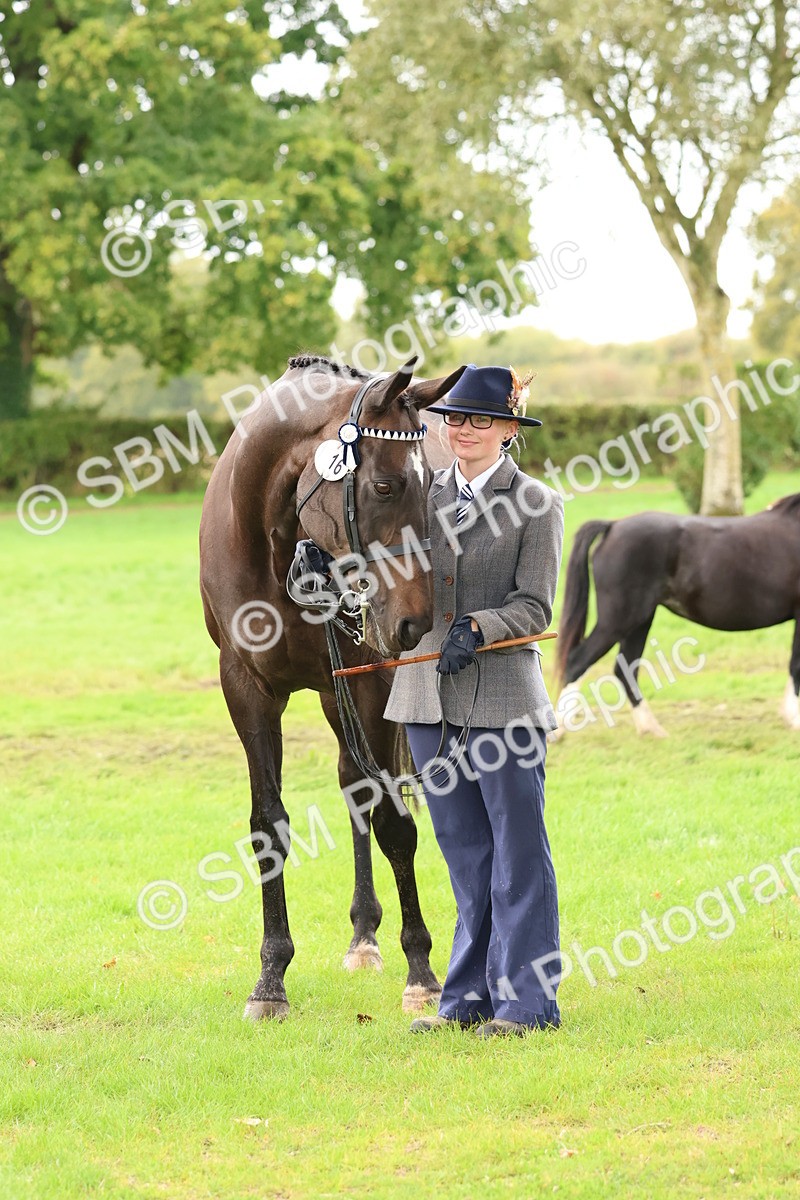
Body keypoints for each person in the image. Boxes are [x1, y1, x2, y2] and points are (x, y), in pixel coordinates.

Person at [383, 364, 565, 1037]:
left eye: (479, 419)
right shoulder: (414, 498)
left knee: (518, 855)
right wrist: (326, 568)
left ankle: (529, 1005)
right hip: (427, 699)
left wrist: (480, 627)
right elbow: (383, 575)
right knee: (463, 853)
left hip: (505, 704)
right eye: (455, 417)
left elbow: (535, 605)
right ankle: (466, 1002)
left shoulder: (539, 505)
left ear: (508, 430)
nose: (463, 429)